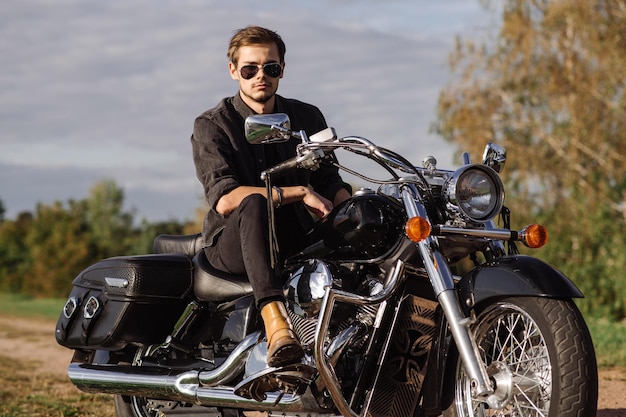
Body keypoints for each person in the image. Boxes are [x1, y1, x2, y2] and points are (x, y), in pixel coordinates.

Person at [191, 25, 352, 367]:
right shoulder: (213, 125)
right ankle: (275, 320)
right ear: (234, 71)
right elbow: (224, 198)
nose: (260, 76)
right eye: (249, 69)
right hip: (233, 244)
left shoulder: (307, 116)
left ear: (282, 69)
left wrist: (348, 210)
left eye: (270, 68)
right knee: (253, 202)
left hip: (294, 236)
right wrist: (299, 192)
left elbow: (329, 178)